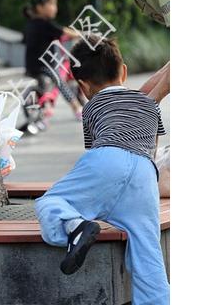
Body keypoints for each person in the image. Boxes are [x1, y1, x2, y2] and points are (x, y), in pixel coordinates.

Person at [34, 36, 169, 305]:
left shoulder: (91, 107)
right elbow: (151, 148)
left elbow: (97, 152)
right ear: (125, 71)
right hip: (144, 172)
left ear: (83, 86)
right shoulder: (150, 106)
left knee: (51, 202)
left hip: (105, 158)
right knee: (147, 250)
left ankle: (75, 226)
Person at [22, 0, 84, 120]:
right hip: (44, 65)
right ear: (40, 7)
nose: (55, 8)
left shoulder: (31, 24)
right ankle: (76, 108)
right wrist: (80, 34)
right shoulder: (45, 24)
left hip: (31, 65)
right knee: (61, 83)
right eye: (52, 4)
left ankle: (45, 106)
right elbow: (64, 32)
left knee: (50, 84)